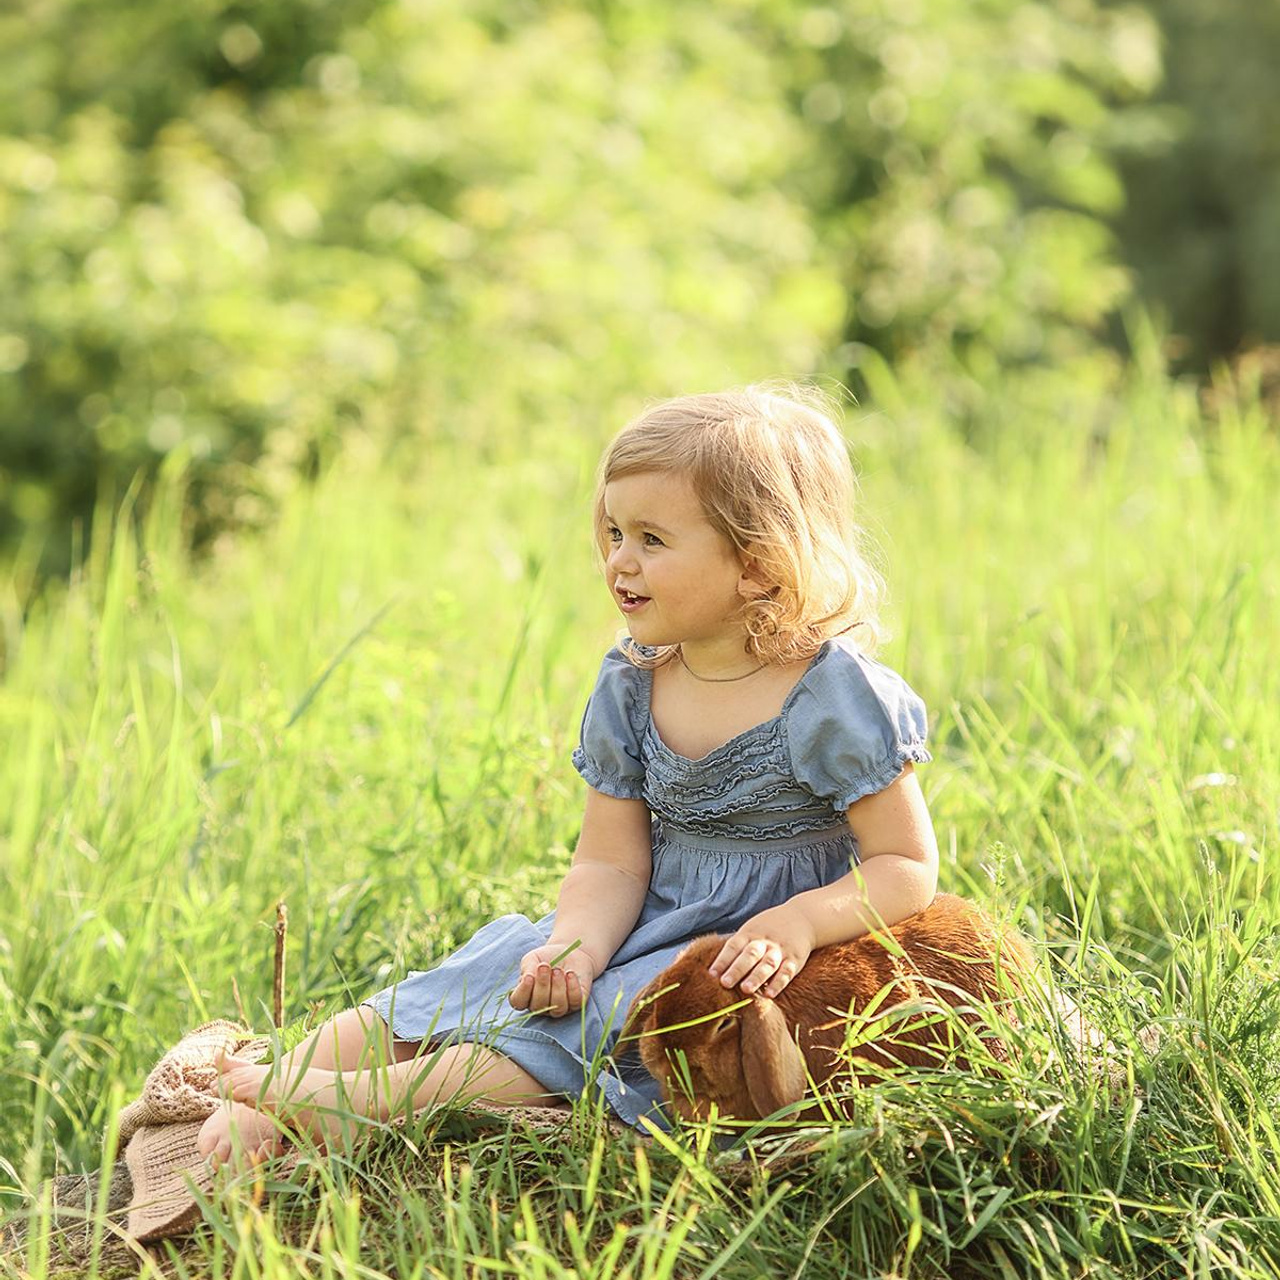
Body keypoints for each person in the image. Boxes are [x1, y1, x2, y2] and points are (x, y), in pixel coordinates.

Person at [198, 383, 940, 1167]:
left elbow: (907, 866)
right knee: (485, 976)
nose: (620, 561)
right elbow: (611, 859)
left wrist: (801, 922)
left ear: (756, 568)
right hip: (640, 914)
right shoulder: (634, 680)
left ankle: (366, 1104)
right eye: (614, 532)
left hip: (739, 949)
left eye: (653, 539)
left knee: (591, 1027)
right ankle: (283, 1078)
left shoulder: (831, 696)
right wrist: (577, 947)